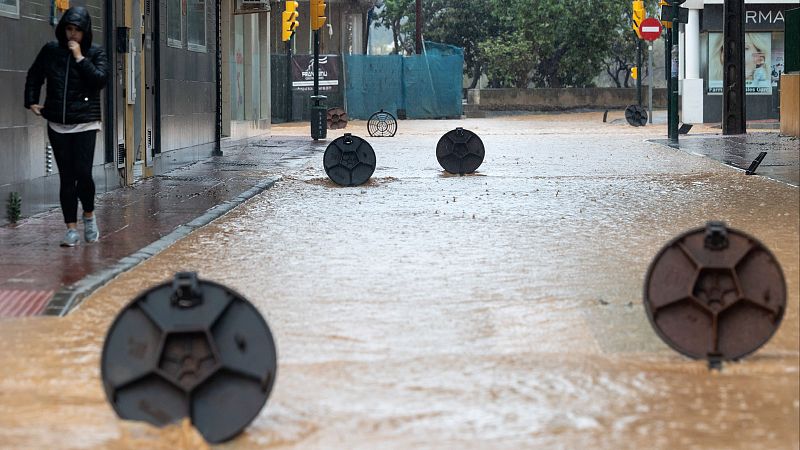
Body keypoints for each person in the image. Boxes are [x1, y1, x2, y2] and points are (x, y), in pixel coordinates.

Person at [24, 7, 109, 247]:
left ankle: (89, 216)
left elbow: (100, 80)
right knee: (66, 178)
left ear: (86, 32)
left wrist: (80, 58)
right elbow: (35, 74)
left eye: (77, 31)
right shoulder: (51, 51)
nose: (72, 35)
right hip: (57, 124)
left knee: (83, 174)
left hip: (85, 123)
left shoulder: (95, 52)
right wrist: (31, 100)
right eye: (69, 29)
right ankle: (71, 229)